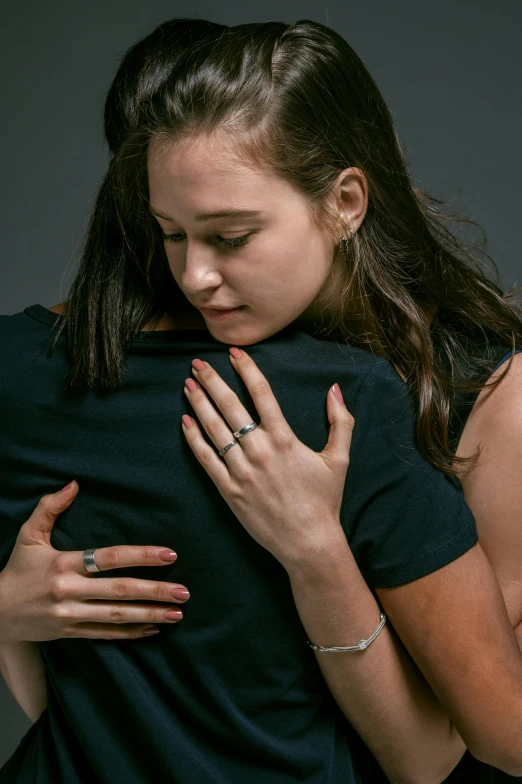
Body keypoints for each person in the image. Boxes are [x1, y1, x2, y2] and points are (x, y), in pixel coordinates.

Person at [1, 15, 521, 784]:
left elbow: (462, 738)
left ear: (345, 202)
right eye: (170, 233)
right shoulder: (166, 374)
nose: (193, 276)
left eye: (232, 236)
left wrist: (316, 549)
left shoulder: (486, 391)